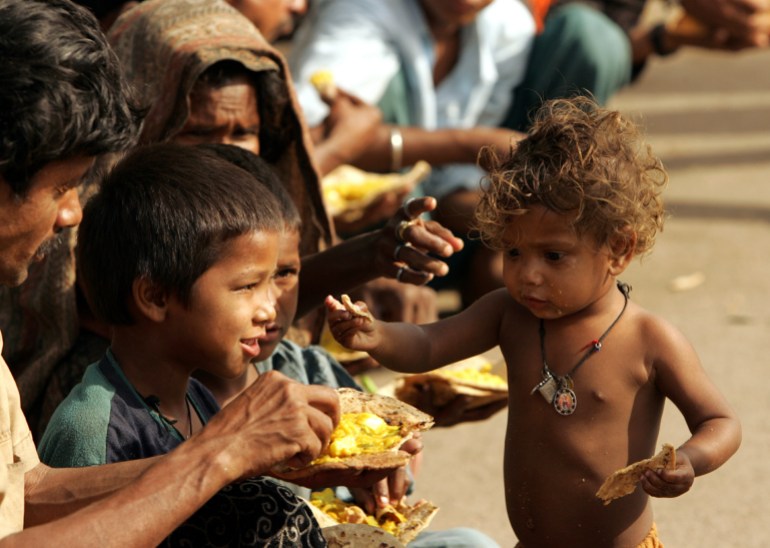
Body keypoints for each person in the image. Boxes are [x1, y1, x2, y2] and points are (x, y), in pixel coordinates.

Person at [324, 97, 742, 547]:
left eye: (554, 255)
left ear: (619, 249)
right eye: (514, 252)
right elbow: (427, 345)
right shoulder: (508, 313)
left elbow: (720, 422)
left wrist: (689, 460)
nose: (528, 274)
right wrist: (376, 334)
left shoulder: (649, 339)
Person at [0, 0, 339, 544]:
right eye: (60, 188)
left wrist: (253, 462)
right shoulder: (94, 412)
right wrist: (216, 454)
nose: (72, 215)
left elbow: (24, 492)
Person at [190, 144, 502, 547]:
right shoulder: (154, 409)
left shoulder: (309, 371)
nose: (269, 307)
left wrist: (380, 472)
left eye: (285, 274)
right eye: (247, 285)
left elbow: (375, 492)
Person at [289, 0, 536, 307]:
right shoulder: (361, 10)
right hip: (358, 225)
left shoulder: (507, 24)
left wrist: (510, 217)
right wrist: (467, 145)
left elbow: (451, 178)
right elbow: (316, 138)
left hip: (439, 217)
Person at [508, 0, 770, 129]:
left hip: (517, 105)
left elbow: (597, 47)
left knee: (591, 38)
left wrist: (664, 37)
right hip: (476, 111)